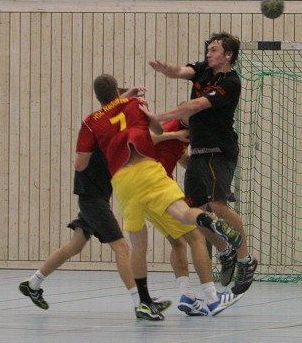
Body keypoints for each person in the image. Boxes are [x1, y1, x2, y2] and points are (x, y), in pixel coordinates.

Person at [75, 75, 240, 320]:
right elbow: (156, 130)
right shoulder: (135, 106)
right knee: (191, 226)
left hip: (122, 182)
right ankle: (212, 298)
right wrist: (160, 126)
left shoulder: (91, 122)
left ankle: (152, 301)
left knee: (142, 244)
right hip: (150, 174)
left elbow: (80, 165)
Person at [17, 86, 165, 320]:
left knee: (75, 245)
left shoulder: (110, 126)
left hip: (95, 196)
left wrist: (171, 136)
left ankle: (32, 283)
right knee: (122, 248)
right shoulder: (104, 129)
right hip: (93, 199)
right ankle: (140, 303)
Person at [149, 32, 258, 295]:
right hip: (198, 150)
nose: (209, 53)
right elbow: (181, 70)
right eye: (208, 49)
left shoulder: (231, 82)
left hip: (220, 150)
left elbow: (197, 104)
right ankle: (225, 251)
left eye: (215, 50)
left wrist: (161, 116)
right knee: (194, 214)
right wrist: (169, 71)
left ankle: (245, 259)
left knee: (218, 205)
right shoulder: (202, 70)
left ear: (228, 54)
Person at [151, 118, 231, 316]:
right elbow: (148, 138)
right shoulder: (173, 127)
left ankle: (187, 296)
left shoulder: (190, 134)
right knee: (196, 237)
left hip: (143, 193)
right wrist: (174, 135)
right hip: (158, 186)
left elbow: (182, 159)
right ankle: (212, 298)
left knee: (177, 242)